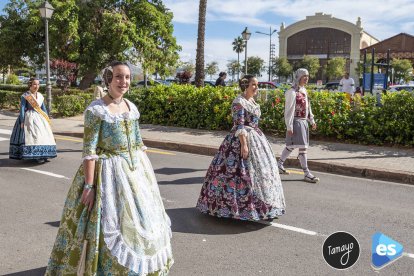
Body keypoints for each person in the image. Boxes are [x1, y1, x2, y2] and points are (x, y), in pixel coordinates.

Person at [45, 61, 173, 275]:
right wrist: (89, 185)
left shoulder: (131, 107)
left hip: (134, 172)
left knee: (140, 223)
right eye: (118, 77)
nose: (124, 82)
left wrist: (144, 178)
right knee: (110, 225)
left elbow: (138, 142)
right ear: (108, 80)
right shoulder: (97, 110)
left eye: (127, 77)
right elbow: (89, 151)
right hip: (108, 175)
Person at [196, 74, 286, 221]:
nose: (257, 87)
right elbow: (240, 125)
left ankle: (265, 206)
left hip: (257, 139)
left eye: (257, 85)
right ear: (246, 86)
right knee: (235, 173)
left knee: (262, 174)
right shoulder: (238, 102)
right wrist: (244, 145)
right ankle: (231, 208)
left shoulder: (251, 101)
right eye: (254, 85)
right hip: (240, 139)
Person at [277, 68, 320, 183]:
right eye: (304, 76)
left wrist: (312, 120)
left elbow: (308, 107)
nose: (306, 78)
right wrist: (289, 126)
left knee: (291, 145)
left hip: (304, 122)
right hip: (296, 122)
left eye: (307, 76)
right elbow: (289, 111)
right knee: (302, 147)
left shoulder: (304, 91)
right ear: (298, 77)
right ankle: (306, 173)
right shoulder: (291, 92)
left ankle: (279, 164)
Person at [9, 77, 56, 164]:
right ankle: (37, 155)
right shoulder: (25, 95)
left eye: (38, 84)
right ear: (30, 85)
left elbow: (43, 108)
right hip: (29, 118)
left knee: (43, 136)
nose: (37, 86)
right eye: (34, 84)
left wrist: (47, 119)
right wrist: (22, 121)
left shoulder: (41, 96)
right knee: (35, 136)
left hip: (40, 118)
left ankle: (45, 154)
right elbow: (22, 109)